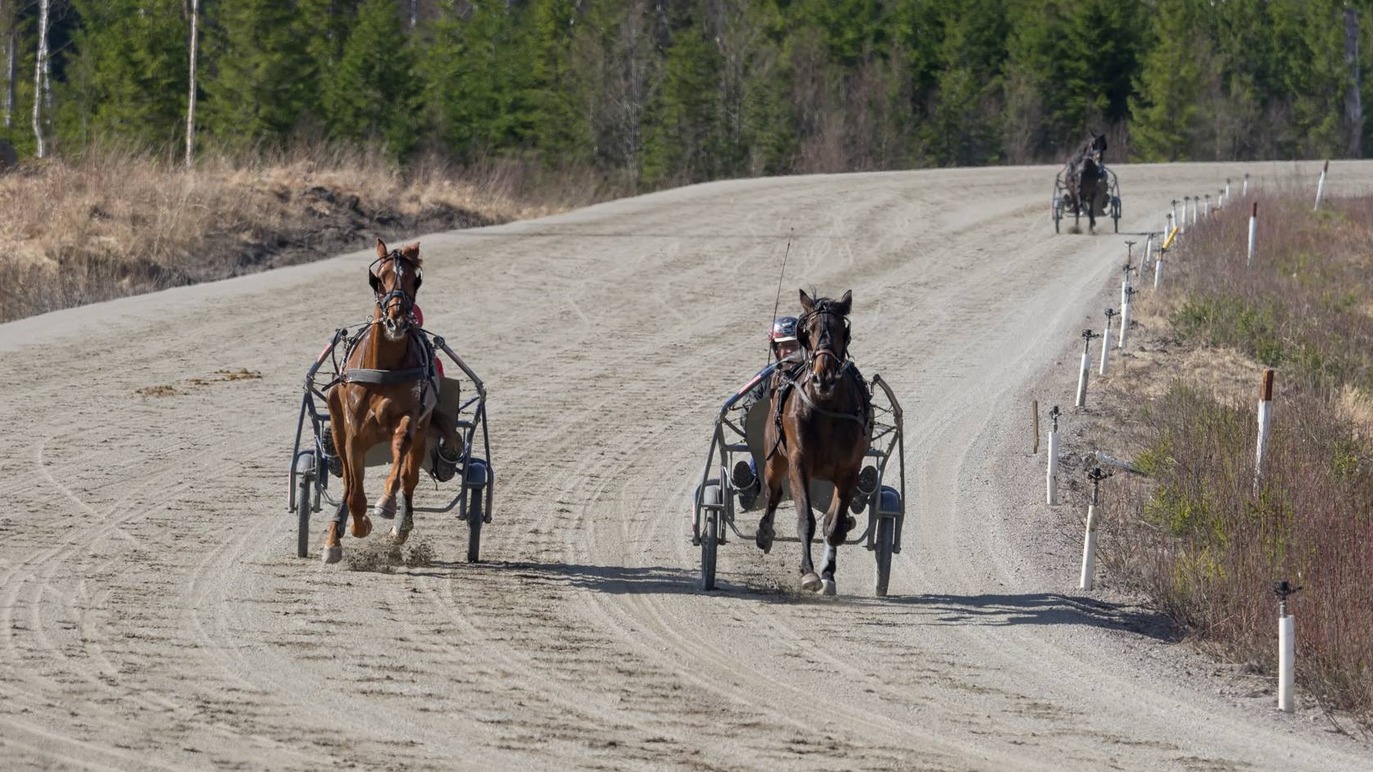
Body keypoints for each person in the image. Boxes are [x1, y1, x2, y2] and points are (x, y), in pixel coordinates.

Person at [732, 317, 802, 504]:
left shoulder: (814, 379)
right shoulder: (765, 377)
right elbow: (748, 411)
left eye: (794, 346)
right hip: (772, 447)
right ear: (775, 349)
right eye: (784, 346)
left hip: (808, 450)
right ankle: (750, 488)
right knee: (764, 448)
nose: (790, 352)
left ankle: (854, 488)